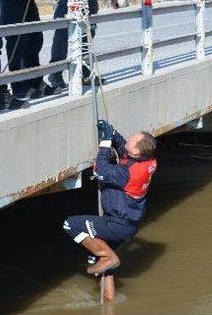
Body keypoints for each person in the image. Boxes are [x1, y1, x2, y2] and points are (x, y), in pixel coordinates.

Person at [63, 120, 157, 302]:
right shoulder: (148, 159)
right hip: (128, 226)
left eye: (131, 139)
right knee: (100, 259)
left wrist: (105, 143)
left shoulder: (126, 172)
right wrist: (112, 133)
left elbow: (100, 170)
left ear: (137, 151)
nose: (128, 139)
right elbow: (125, 149)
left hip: (115, 224)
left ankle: (109, 257)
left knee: (71, 225)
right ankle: (110, 300)